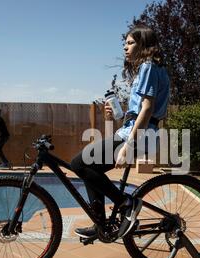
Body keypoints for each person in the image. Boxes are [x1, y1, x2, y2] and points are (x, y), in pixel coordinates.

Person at [71, 25, 170, 239]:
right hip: (137, 132)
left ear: (143, 44)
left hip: (138, 137)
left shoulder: (149, 66)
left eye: (130, 43)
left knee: (79, 163)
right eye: (124, 43)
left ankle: (127, 203)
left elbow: (147, 108)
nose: (125, 47)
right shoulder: (150, 68)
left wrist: (129, 146)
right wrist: (115, 115)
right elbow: (138, 113)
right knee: (88, 167)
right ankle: (100, 224)